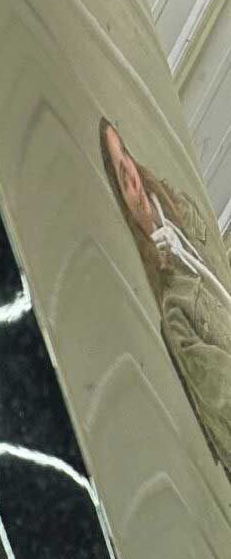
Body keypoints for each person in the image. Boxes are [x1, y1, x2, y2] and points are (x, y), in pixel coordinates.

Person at [101, 117, 231, 481]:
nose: (128, 173)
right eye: (118, 171)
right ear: (119, 194)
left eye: (124, 155)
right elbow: (222, 393)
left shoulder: (185, 216)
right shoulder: (175, 308)